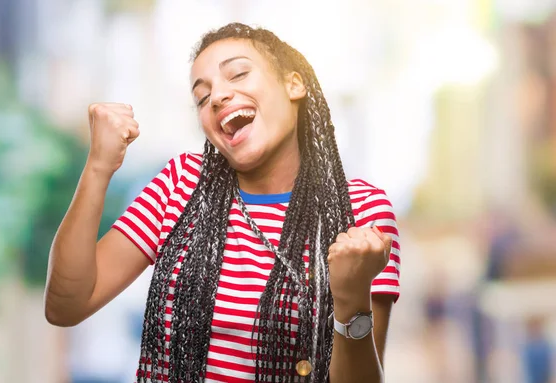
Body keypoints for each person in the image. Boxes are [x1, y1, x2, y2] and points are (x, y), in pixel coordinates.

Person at [44, 23, 401, 383]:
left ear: (295, 84)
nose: (217, 97)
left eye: (239, 74)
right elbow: (66, 304)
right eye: (202, 97)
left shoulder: (358, 211)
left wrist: (352, 299)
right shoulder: (181, 184)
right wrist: (98, 166)